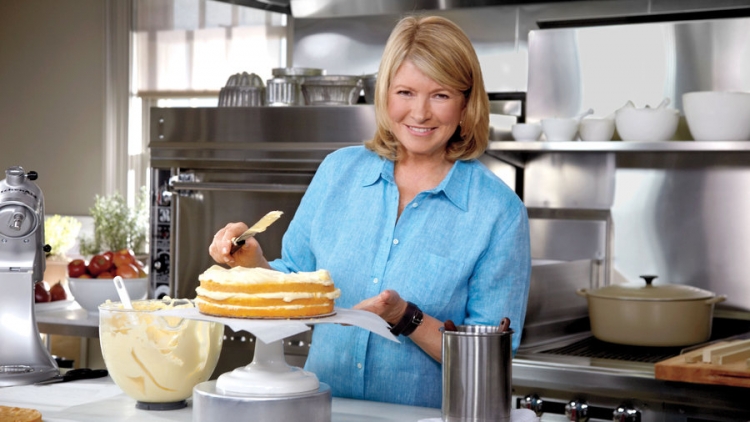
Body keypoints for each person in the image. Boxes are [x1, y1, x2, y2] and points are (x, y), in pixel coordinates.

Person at [208, 15, 531, 409]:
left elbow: (491, 360)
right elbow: (296, 286)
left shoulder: (498, 212)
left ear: (466, 104)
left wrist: (405, 317)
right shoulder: (337, 172)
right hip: (322, 413)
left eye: (441, 95)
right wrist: (251, 262)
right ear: (385, 95)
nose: (421, 113)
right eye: (406, 92)